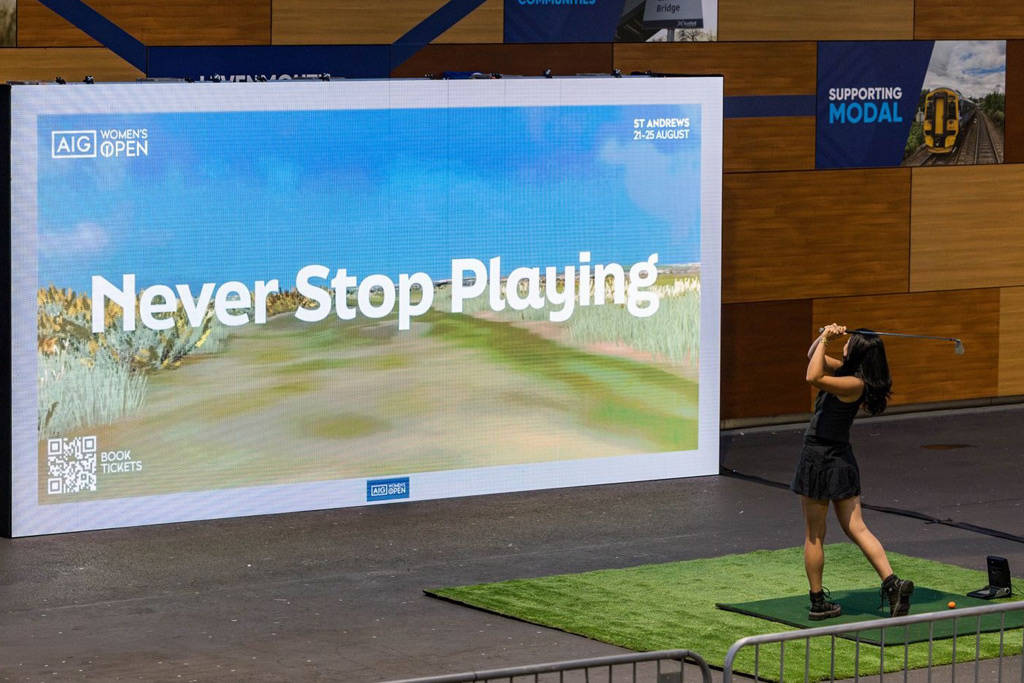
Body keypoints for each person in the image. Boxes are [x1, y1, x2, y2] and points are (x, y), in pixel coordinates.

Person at [792, 323, 913, 620]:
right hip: (840, 457)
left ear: (858, 351)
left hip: (820, 457)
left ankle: (818, 601)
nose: (845, 344)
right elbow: (812, 356)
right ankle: (892, 584)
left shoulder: (853, 383)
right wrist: (825, 337)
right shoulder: (851, 374)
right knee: (855, 527)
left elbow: (812, 376)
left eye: (850, 342)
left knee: (814, 534)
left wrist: (827, 339)